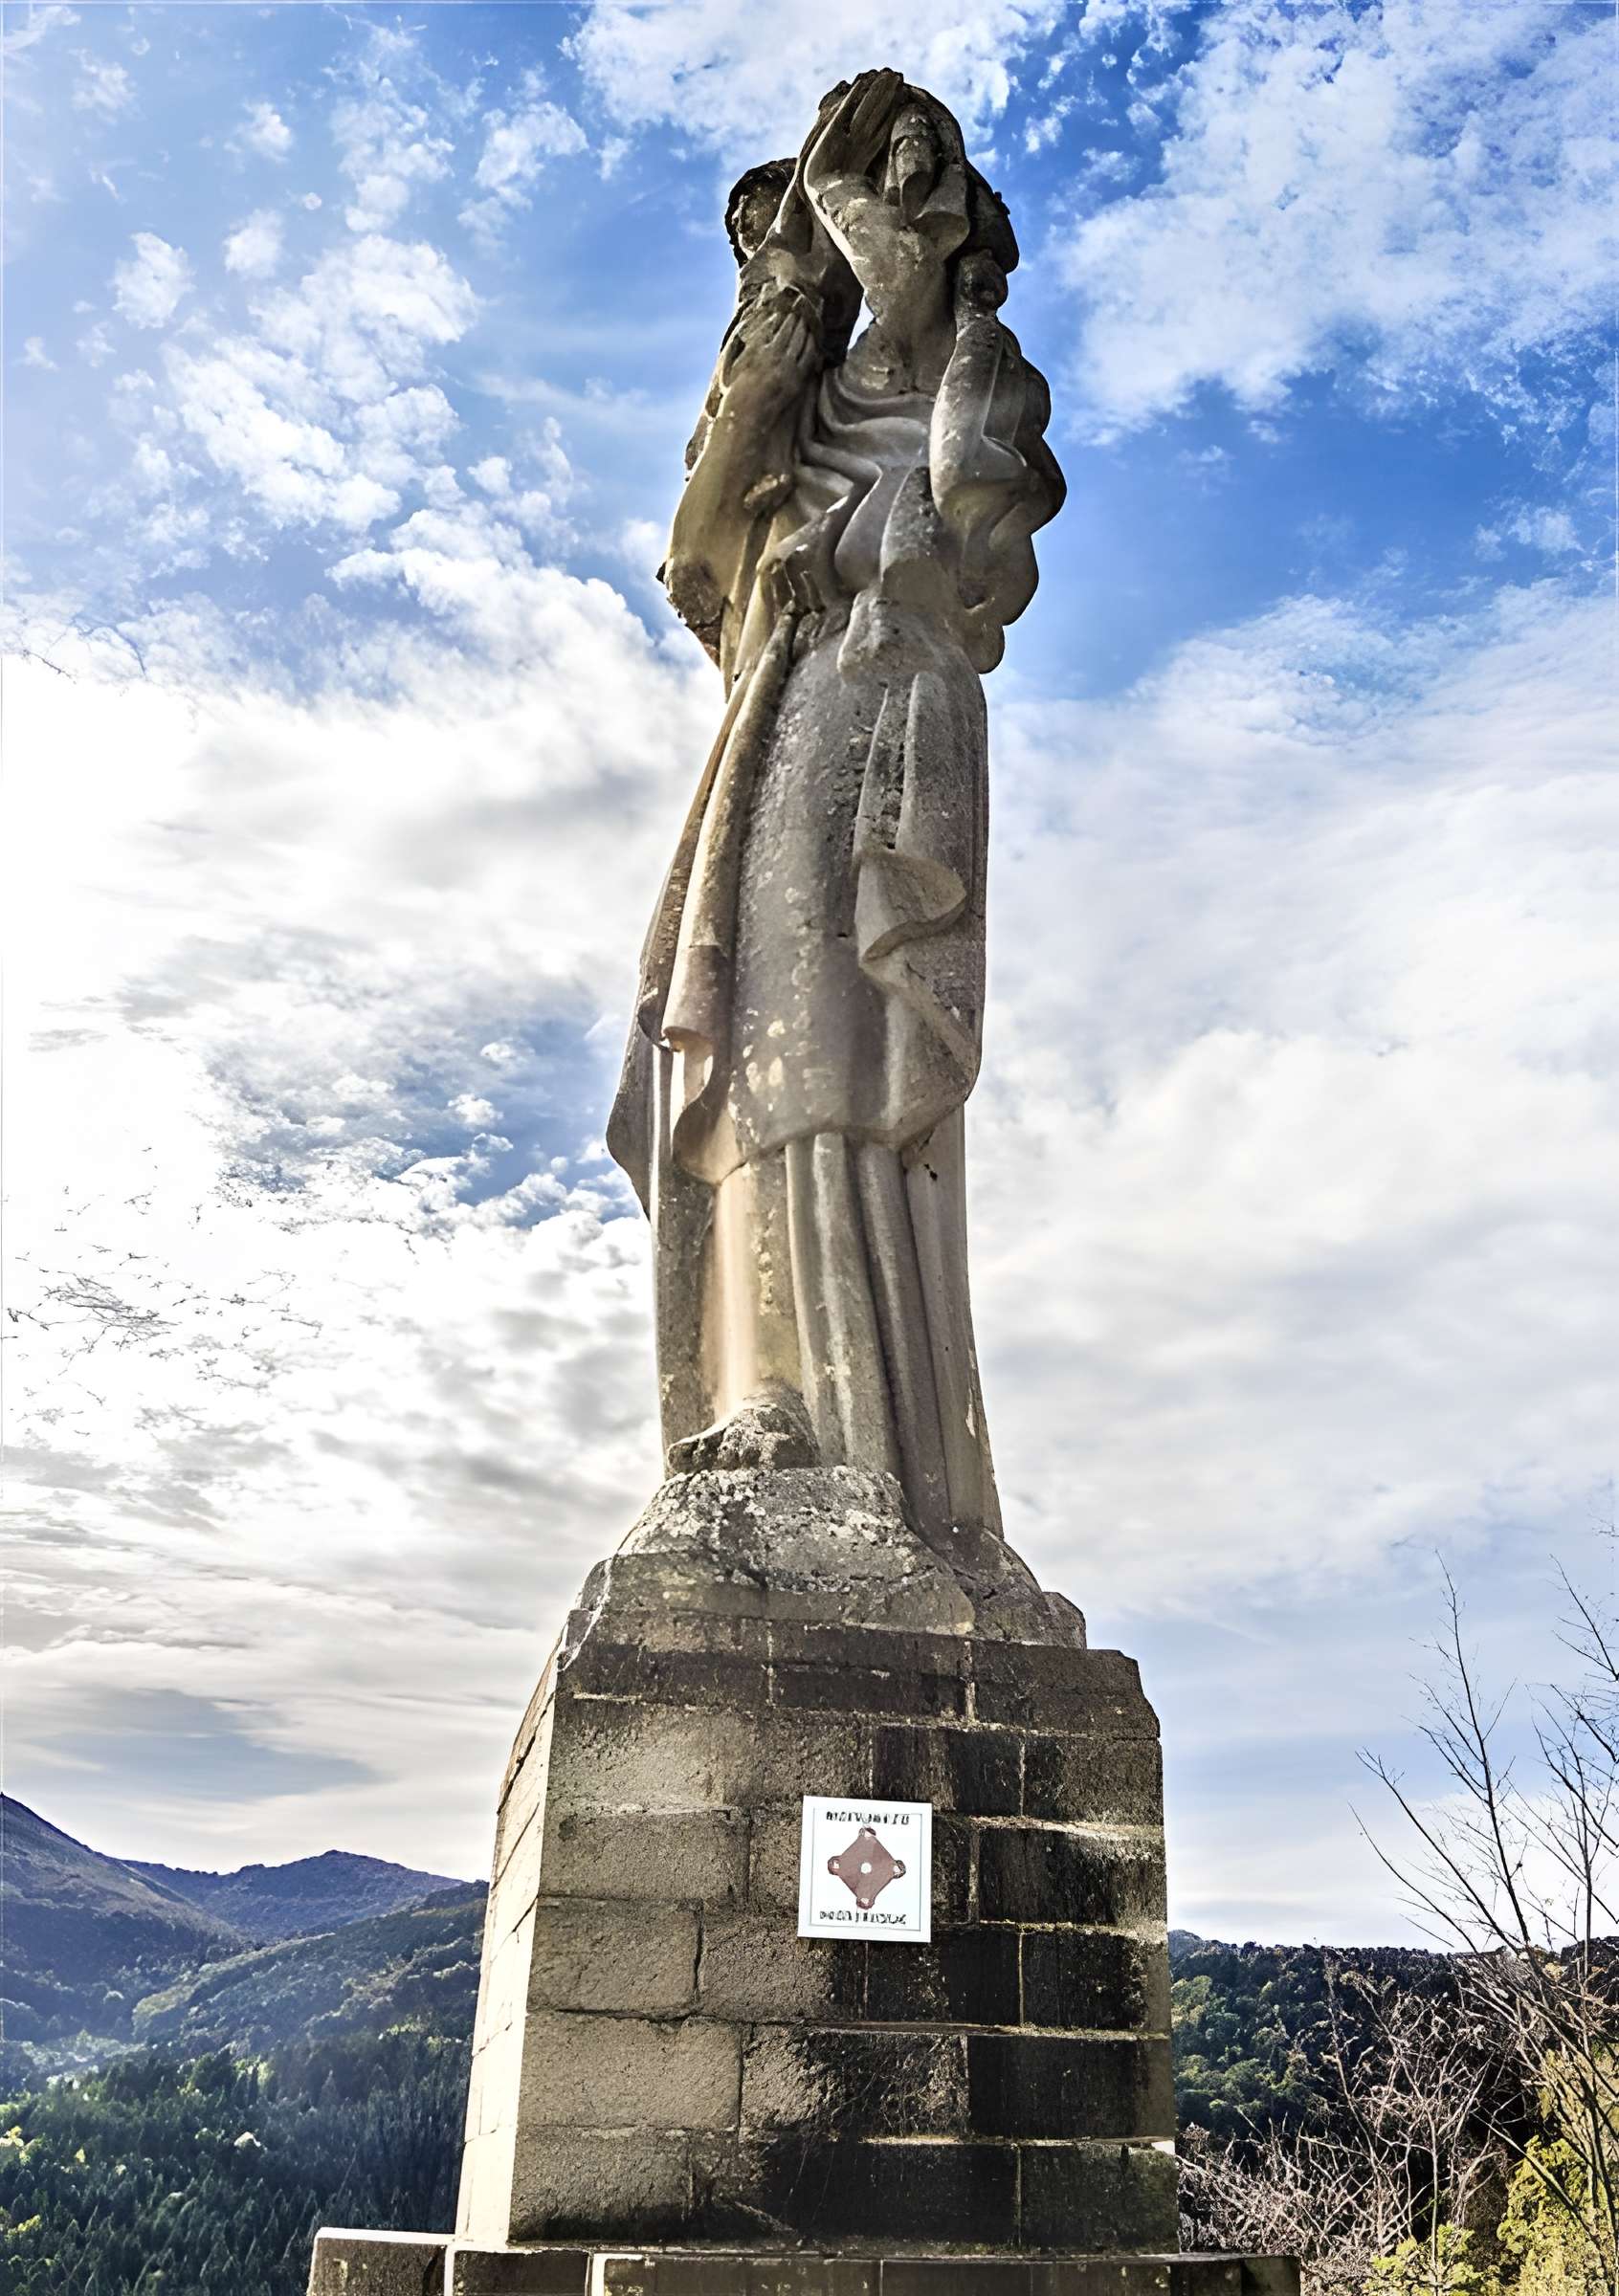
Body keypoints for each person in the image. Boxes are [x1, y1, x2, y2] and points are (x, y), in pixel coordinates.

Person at [610, 72, 1064, 1556]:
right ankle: (776, 1398)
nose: (864, 221)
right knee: (748, 1043)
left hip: (883, 705)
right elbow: (699, 568)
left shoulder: (967, 371)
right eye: (842, 198)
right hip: (788, 708)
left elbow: (974, 556)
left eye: (902, 190)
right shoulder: (783, 415)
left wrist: (855, 537)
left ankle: (857, 1435)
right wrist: (776, 331)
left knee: (828, 1033)